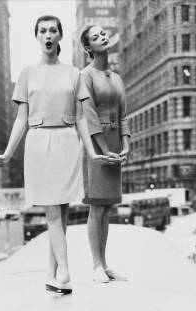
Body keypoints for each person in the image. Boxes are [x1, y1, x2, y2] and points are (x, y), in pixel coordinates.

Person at [0, 15, 112, 294]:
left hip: (67, 142)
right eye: (43, 31)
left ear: (59, 36)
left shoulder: (73, 74)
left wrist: (93, 152)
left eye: (53, 30)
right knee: (53, 210)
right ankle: (64, 272)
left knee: (61, 213)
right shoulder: (27, 74)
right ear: (37, 37)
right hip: (39, 143)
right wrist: (6, 154)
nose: (48, 34)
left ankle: (51, 274)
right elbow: (21, 119)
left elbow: (81, 118)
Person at [79, 24, 129, 282]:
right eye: (96, 36)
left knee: (108, 207)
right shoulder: (85, 76)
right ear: (88, 48)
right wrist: (104, 149)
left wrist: (125, 143)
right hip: (95, 145)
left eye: (103, 33)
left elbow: (123, 113)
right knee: (96, 207)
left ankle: (105, 263)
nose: (103, 37)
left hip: (114, 144)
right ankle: (96, 265)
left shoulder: (117, 78)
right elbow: (88, 116)